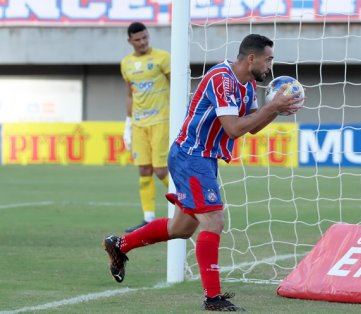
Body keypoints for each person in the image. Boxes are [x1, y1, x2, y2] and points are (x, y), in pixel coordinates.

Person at [103, 34, 303, 311]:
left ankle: (120, 244)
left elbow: (252, 126)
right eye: (269, 59)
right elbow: (233, 129)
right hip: (191, 155)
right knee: (213, 219)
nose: (271, 65)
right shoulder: (222, 78)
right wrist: (273, 107)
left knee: (181, 228)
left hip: (204, 159)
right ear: (252, 58)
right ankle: (213, 298)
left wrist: (276, 111)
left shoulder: (248, 86)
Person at [121, 22, 171, 232]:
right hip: (139, 123)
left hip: (161, 120)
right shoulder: (126, 64)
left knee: (160, 170)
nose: (142, 42)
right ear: (130, 41)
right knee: (144, 169)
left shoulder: (163, 58)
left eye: (145, 38)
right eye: (138, 39)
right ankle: (148, 218)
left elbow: (177, 84)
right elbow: (130, 94)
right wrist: (128, 122)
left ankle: (189, 204)